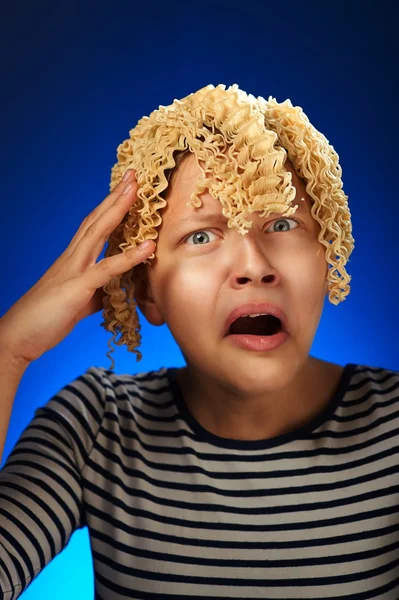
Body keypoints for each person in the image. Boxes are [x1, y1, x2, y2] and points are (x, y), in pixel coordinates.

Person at [1, 84, 398, 599]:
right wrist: (9, 350)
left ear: (327, 258)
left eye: (280, 222)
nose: (254, 267)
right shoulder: (98, 427)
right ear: (147, 289)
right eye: (202, 236)